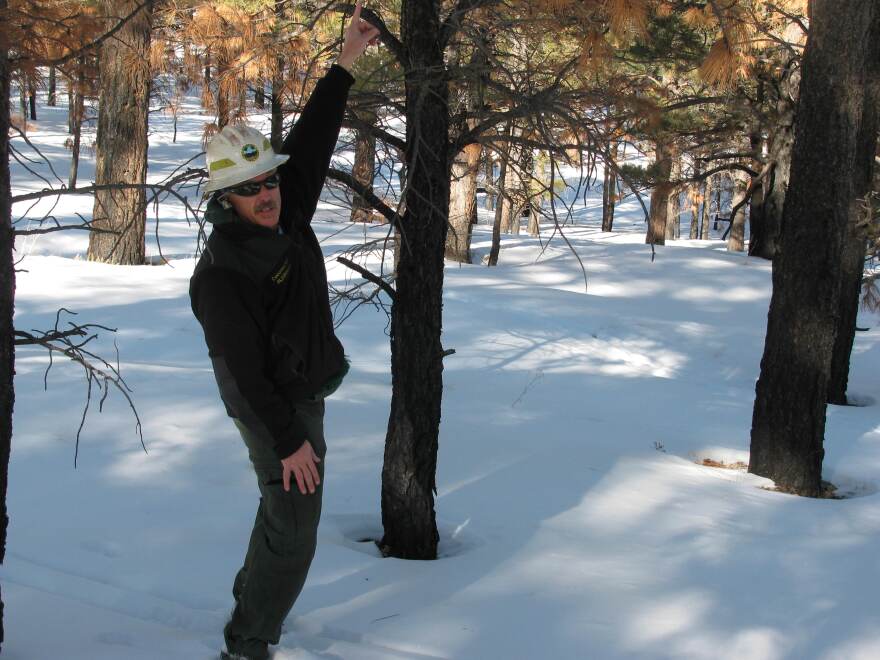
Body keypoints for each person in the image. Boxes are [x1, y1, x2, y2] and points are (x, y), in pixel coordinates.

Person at [189, 4, 378, 659]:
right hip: (274, 404)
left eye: (269, 180)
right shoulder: (223, 275)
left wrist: (348, 58)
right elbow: (242, 379)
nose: (267, 195)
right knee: (295, 523)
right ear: (225, 200)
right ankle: (248, 642)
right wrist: (291, 439)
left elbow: (317, 134)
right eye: (250, 189)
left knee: (284, 514)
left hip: (301, 388)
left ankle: (255, 601)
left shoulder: (285, 213)